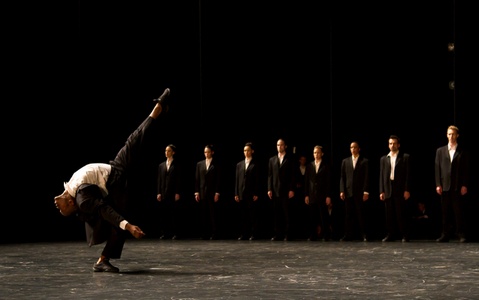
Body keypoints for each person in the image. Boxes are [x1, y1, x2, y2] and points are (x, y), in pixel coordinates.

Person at [53, 87, 170, 272]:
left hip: (114, 168)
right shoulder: (82, 199)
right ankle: (103, 260)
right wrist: (129, 226)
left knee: (132, 141)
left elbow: (63, 196)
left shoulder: (70, 188)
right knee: (119, 223)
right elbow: (104, 209)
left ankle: (155, 112)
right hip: (114, 181)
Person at [435, 125, 470, 243]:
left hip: (457, 186)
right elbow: (437, 169)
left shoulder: (462, 151)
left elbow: (466, 170)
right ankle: (445, 234)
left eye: (453, 134)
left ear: (457, 135)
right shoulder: (440, 151)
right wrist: (438, 184)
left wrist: (464, 185)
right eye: (449, 134)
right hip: (444, 185)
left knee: (458, 211)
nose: (451, 136)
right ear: (446, 135)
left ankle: (460, 233)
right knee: (445, 212)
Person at [379, 135, 411, 242]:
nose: (392, 145)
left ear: (398, 145)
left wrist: (407, 189)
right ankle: (390, 234)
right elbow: (382, 175)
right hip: (388, 188)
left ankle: (404, 234)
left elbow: (408, 175)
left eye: (394, 143)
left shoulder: (405, 157)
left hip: (400, 188)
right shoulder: (384, 158)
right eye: (390, 143)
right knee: (389, 214)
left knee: (400, 213)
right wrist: (381, 190)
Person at [339, 141, 370, 242]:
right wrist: (342, 190)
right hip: (348, 192)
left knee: (361, 214)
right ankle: (348, 235)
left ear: (359, 148)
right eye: (351, 147)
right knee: (348, 215)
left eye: (355, 147)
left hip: (359, 192)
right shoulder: (345, 161)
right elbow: (342, 177)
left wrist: (366, 191)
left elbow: (366, 177)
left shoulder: (364, 161)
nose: (353, 149)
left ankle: (364, 234)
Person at [267, 138, 296, 241]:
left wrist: (292, 189)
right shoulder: (272, 159)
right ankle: (277, 234)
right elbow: (270, 175)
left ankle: (288, 234)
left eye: (281, 145)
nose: (279, 147)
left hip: (286, 190)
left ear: (285, 146)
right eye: (278, 145)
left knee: (287, 213)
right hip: (275, 190)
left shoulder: (290, 158)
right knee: (276, 214)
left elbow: (293, 175)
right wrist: (269, 188)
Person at [304, 145, 332, 241]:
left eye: (318, 152)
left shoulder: (326, 166)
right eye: (315, 152)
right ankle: (313, 235)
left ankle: (326, 235)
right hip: (312, 194)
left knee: (323, 216)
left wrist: (328, 196)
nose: (316, 154)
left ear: (322, 154)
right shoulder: (309, 166)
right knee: (312, 216)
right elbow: (307, 181)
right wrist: (306, 194)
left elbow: (328, 181)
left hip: (322, 195)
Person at [234, 142, 261, 241]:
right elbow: (237, 180)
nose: (246, 152)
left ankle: (253, 233)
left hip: (251, 193)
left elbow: (258, 180)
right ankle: (243, 234)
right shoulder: (239, 164)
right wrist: (236, 193)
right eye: (245, 150)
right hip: (241, 193)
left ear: (252, 151)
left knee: (252, 215)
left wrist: (256, 193)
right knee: (242, 215)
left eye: (248, 150)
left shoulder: (256, 164)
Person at [195, 144, 222, 240]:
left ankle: (214, 233)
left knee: (212, 214)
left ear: (212, 152)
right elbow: (197, 179)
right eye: (205, 152)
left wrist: (217, 193)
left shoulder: (216, 164)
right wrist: (197, 192)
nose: (206, 154)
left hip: (212, 192)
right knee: (203, 214)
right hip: (202, 192)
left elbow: (218, 179)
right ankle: (204, 233)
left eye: (208, 152)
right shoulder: (199, 164)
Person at [156, 144, 182, 240]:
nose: (166, 152)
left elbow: (179, 180)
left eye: (169, 151)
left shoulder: (177, 164)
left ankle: (174, 233)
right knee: (164, 214)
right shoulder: (161, 165)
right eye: (165, 151)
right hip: (163, 192)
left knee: (173, 214)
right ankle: (164, 233)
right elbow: (159, 180)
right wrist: (158, 192)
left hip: (172, 193)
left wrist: (177, 192)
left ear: (173, 152)